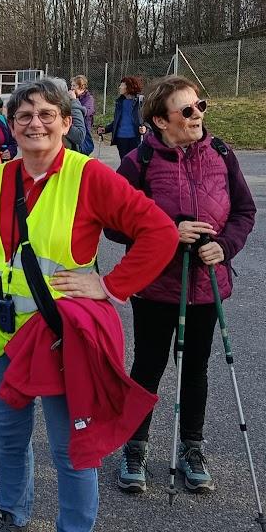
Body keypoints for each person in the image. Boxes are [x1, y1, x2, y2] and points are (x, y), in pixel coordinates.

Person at [0, 79, 177, 532]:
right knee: (9, 440)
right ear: (12, 123)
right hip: (3, 338)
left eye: (47, 113)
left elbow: (160, 231)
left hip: (59, 341)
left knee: (71, 450)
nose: (35, 122)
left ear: (65, 120)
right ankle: (12, 521)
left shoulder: (88, 176)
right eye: (25, 114)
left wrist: (111, 284)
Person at [111, 76, 256, 495]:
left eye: (201, 106)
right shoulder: (138, 162)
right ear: (160, 119)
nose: (198, 116)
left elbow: (245, 211)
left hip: (207, 284)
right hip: (155, 285)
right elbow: (115, 225)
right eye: (187, 110)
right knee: (149, 367)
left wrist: (225, 247)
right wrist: (167, 232)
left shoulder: (222, 154)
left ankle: (193, 447)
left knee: (195, 370)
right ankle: (134, 447)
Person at [103, 76, 145, 159]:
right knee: (124, 163)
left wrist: (145, 128)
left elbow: (148, 118)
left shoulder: (141, 101)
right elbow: (117, 121)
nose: (119, 87)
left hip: (135, 138)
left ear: (129, 87)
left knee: (135, 164)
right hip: (121, 138)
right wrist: (106, 129)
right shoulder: (119, 102)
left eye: (122, 85)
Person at [72, 75, 96, 154]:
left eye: (74, 85)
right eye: (71, 85)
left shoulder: (89, 98)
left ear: (81, 86)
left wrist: (74, 101)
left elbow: (87, 112)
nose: (71, 88)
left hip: (84, 130)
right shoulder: (74, 97)